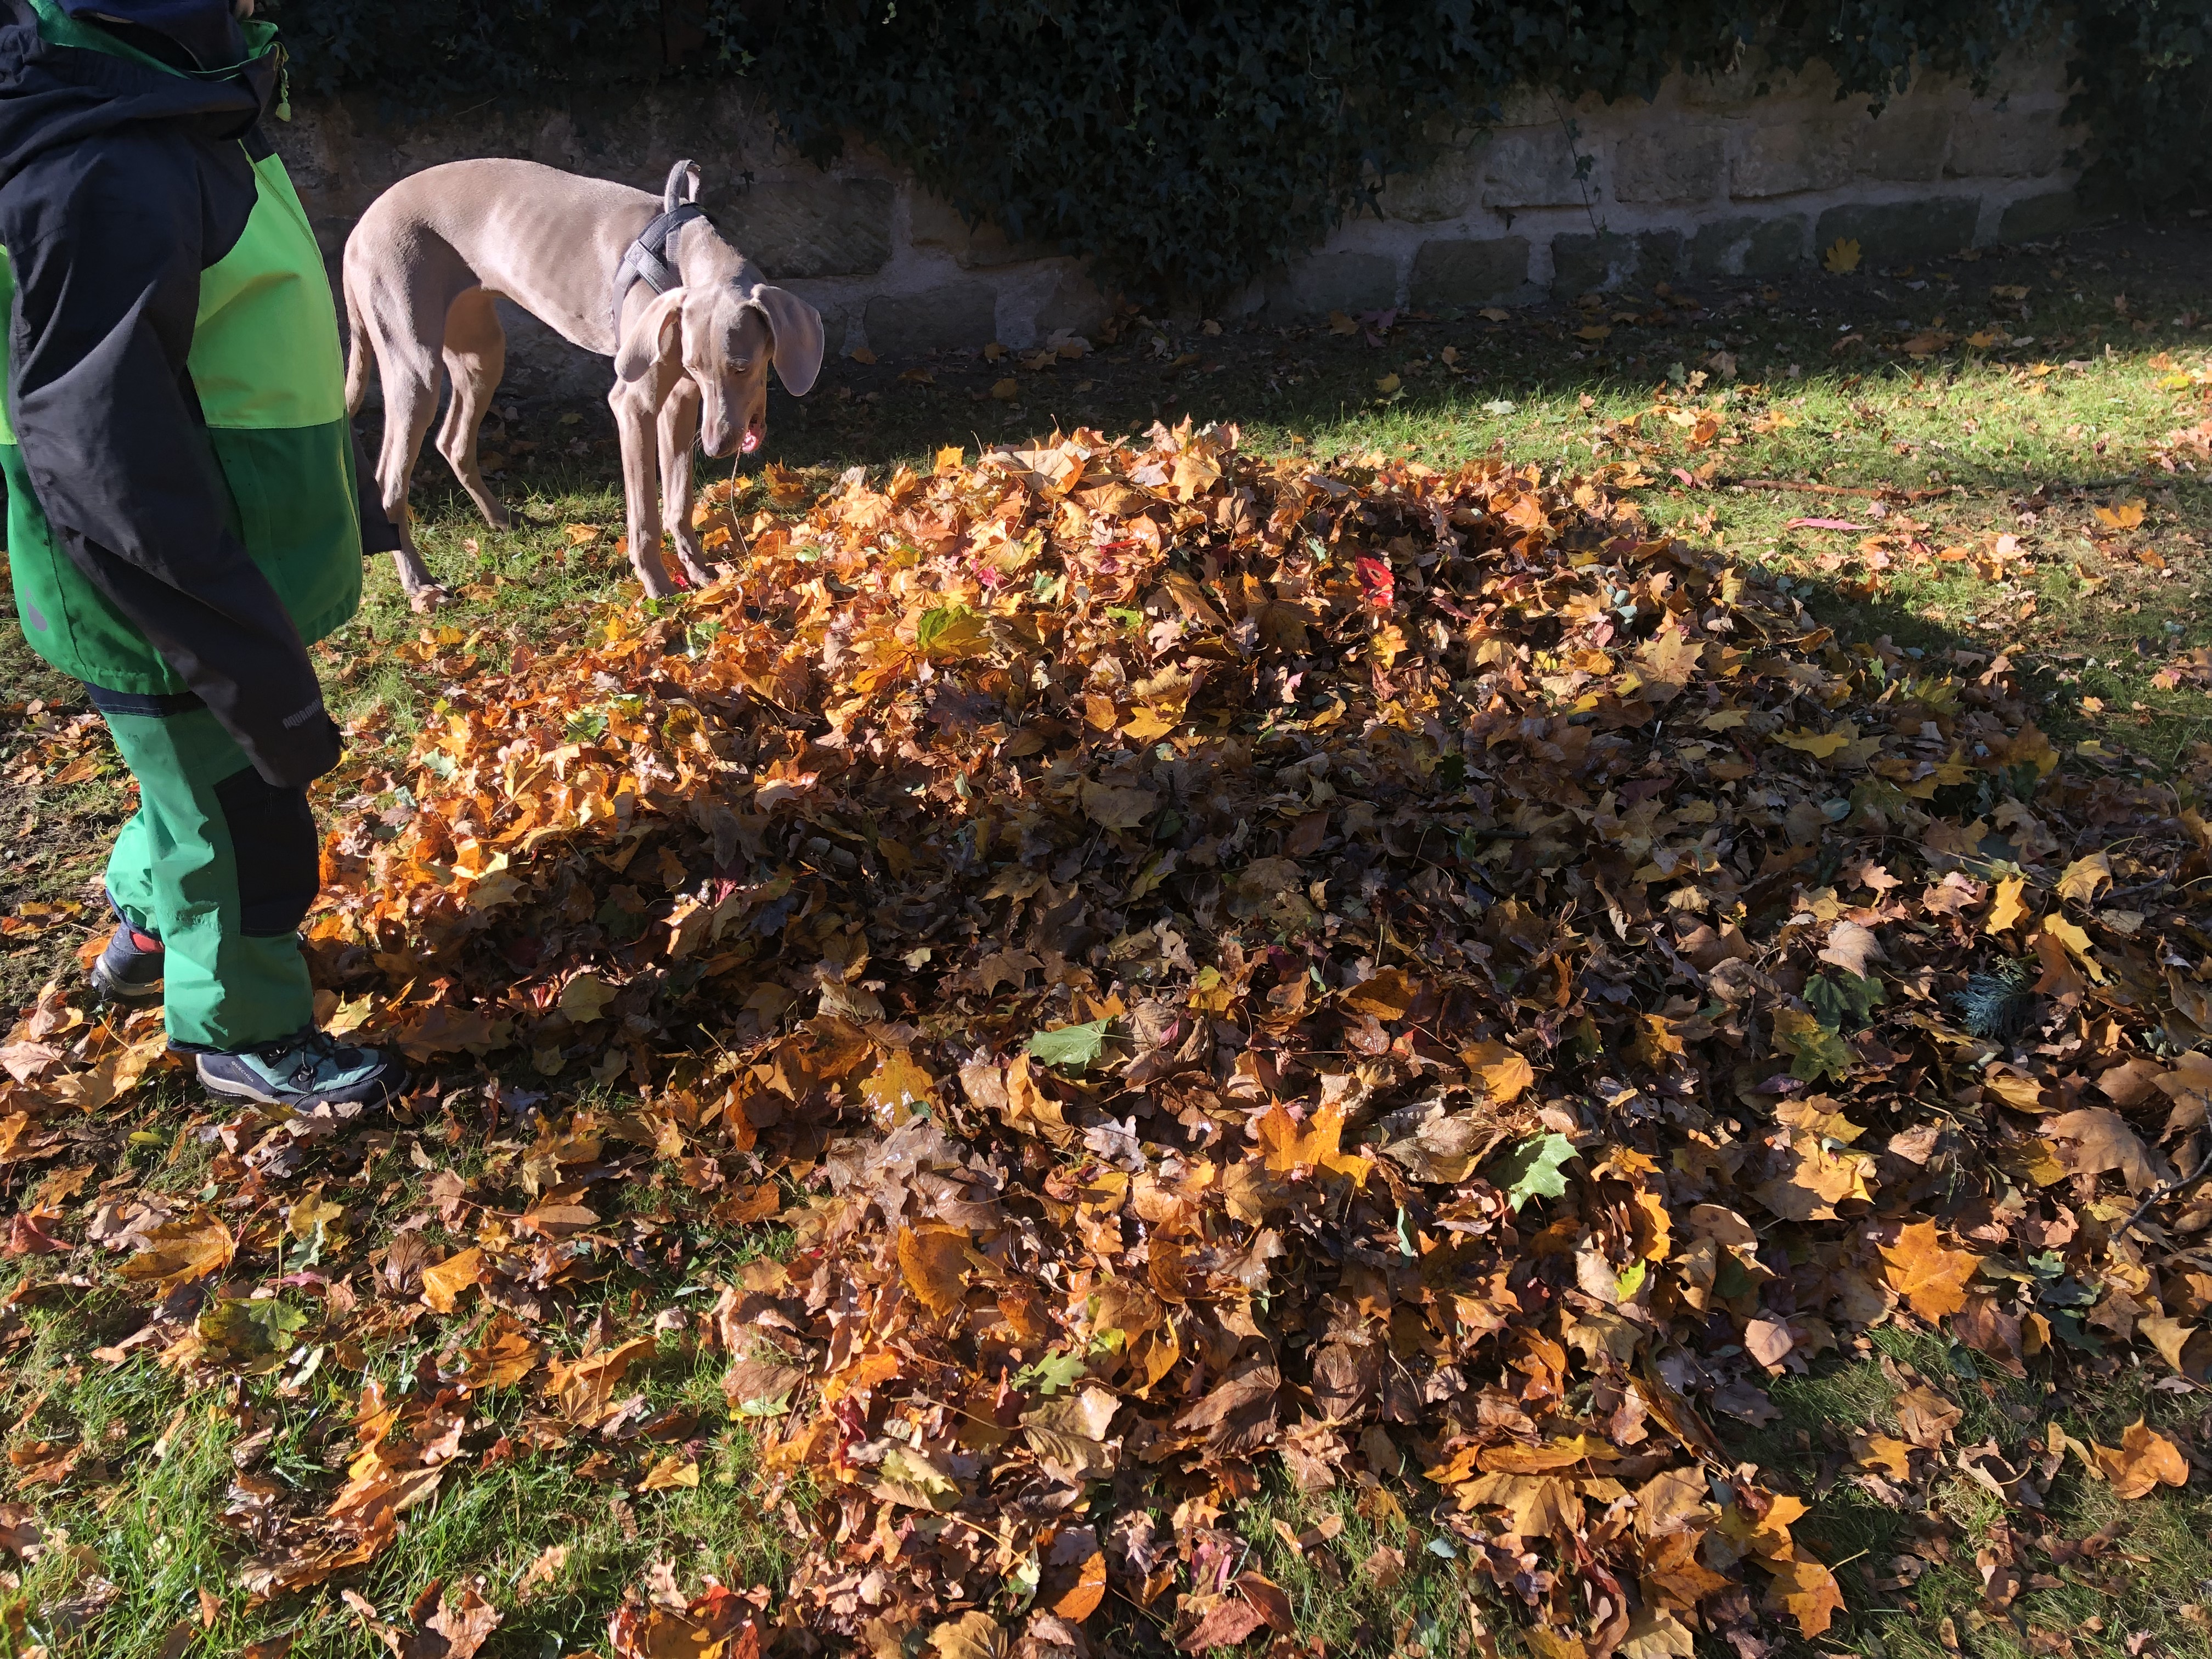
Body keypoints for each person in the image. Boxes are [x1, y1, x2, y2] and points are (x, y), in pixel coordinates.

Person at [0, 0, 404, 1110]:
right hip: (166, 585)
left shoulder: (163, 94)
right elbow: (101, 447)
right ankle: (246, 1033)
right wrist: (226, 641)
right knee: (244, 819)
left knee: (192, 788)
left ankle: (146, 924)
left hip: (208, 560)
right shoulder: (103, 155)